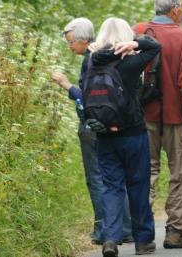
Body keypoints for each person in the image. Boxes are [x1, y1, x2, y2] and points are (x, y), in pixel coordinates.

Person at [51, 17, 133, 245]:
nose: (69, 46)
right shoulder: (107, 55)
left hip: (91, 126)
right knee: (116, 178)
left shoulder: (90, 59)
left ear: (83, 39)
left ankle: (102, 230)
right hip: (112, 124)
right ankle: (126, 228)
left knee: (97, 179)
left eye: (70, 42)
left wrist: (65, 84)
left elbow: (85, 98)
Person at [86, 17, 161, 257]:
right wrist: (135, 44)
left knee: (111, 187)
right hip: (133, 132)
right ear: (125, 37)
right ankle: (143, 241)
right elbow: (155, 46)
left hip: (104, 134)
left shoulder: (91, 61)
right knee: (138, 185)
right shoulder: (130, 63)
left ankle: (110, 238)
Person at [133, 0, 182, 249]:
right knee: (181, 172)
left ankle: (140, 228)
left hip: (143, 115)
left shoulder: (139, 31)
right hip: (176, 118)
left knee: (145, 171)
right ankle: (175, 232)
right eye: (181, 8)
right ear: (174, 10)